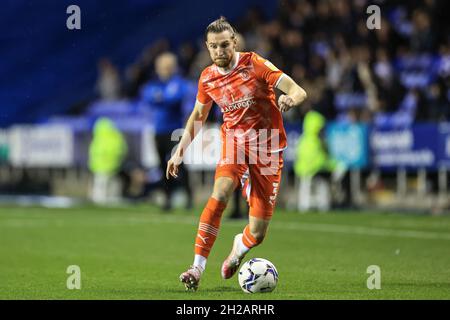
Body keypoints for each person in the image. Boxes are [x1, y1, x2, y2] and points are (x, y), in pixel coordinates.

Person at [166, 17, 307, 291]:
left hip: (267, 146)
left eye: (224, 46)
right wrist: (178, 151)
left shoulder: (255, 64)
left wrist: (289, 99)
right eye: (213, 47)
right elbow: (198, 115)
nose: (219, 52)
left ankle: (238, 249)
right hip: (235, 143)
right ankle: (196, 267)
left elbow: (297, 89)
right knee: (220, 192)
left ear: (234, 43)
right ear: (207, 48)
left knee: (257, 233)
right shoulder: (207, 78)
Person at [141, 52, 193, 210]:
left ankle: (188, 196)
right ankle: (167, 198)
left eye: (166, 67)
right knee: (162, 166)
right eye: (161, 67)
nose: (163, 70)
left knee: (179, 165)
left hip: (174, 131)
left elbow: (175, 98)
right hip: (159, 131)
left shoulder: (178, 83)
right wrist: (163, 97)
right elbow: (148, 97)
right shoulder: (154, 85)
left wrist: (161, 98)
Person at [89, 117, 128, 204]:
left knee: (100, 187)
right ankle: (113, 202)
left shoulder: (98, 139)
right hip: (115, 167)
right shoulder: (117, 137)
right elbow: (123, 150)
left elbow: (93, 154)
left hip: (100, 168)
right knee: (113, 186)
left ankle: (99, 203)